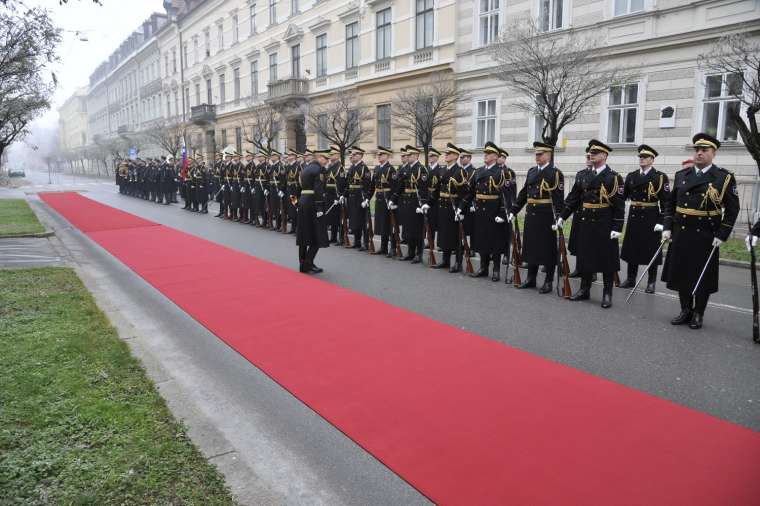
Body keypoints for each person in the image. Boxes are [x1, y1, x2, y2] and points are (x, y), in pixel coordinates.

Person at [661, 133, 739, 329]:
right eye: (697, 150)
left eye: (704, 150)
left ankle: (698, 313)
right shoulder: (682, 175)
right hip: (681, 232)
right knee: (682, 273)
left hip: (706, 234)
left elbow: (732, 209)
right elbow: (670, 204)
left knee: (702, 276)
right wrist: (667, 227)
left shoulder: (723, 177)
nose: (699, 153)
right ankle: (685, 309)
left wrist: (722, 234)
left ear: (714, 153)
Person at [557, 139, 624, 308]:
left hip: (605, 222)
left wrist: (617, 227)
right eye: (591, 153)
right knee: (585, 256)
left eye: (595, 153)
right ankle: (584, 289)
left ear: (604, 155)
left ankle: (607, 293)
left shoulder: (614, 177)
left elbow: (619, 205)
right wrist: (562, 217)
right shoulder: (584, 175)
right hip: (586, 221)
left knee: (607, 259)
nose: (592, 156)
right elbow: (573, 198)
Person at [511, 142, 565, 293]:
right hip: (532, 213)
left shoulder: (555, 173)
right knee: (531, 246)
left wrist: (559, 217)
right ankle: (530, 278)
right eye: (536, 154)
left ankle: (548, 280)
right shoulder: (532, 171)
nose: (537, 157)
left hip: (546, 214)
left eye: (540, 154)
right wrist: (514, 210)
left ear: (548, 155)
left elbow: (559, 198)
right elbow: (523, 193)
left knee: (547, 248)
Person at [619, 145, 670, 293]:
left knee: (651, 250)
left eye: (645, 157)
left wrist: (662, 222)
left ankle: (651, 282)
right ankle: (630, 278)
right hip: (635, 216)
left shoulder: (660, 177)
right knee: (632, 249)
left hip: (651, 217)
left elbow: (666, 202)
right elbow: (622, 197)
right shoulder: (632, 176)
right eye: (640, 157)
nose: (642, 159)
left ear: (652, 160)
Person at [462, 141, 509, 281]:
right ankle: (483, 267)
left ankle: (495, 269)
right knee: (482, 240)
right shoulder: (479, 171)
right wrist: (461, 207)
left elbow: (506, 196)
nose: (486, 156)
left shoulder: (501, 173)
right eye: (485, 153)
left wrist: (502, 213)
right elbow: (470, 192)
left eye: (489, 154)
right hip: (480, 211)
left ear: (495, 156)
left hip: (493, 211)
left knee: (494, 241)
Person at [433, 143, 470, 272]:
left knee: (455, 236)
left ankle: (458, 263)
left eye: (448, 154)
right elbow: (437, 190)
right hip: (442, 206)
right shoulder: (443, 170)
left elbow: (466, 194)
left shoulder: (460, 172)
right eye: (446, 153)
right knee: (444, 234)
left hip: (453, 207)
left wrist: (461, 209)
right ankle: (445, 260)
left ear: (455, 156)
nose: (446, 155)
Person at [393, 145, 429, 264]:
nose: (408, 157)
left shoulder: (421, 169)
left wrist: (422, 204)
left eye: (410, 155)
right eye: (407, 155)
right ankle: (410, 252)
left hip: (416, 202)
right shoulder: (406, 168)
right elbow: (401, 186)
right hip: (406, 201)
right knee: (408, 228)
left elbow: (424, 189)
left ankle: (419, 254)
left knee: (417, 229)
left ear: (417, 156)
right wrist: (393, 199)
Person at [297, 149, 330, 274]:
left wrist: (297, 203)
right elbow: (318, 189)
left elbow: (297, 187)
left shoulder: (304, 169)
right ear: (320, 158)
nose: (326, 162)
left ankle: (302, 263)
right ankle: (308, 263)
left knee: (304, 235)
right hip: (313, 204)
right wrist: (320, 208)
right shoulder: (318, 170)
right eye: (325, 159)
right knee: (317, 235)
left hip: (302, 202)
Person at [372, 146, 398, 257]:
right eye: (379, 155)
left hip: (387, 199)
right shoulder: (377, 168)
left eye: (381, 155)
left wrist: (392, 200)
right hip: (379, 198)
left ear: (387, 156)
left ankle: (393, 248)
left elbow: (395, 187)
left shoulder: (391, 169)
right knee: (382, 224)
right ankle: (383, 247)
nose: (379, 156)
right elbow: (373, 185)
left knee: (389, 225)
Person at [346, 146, 372, 250]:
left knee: (362, 221)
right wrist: (345, 195)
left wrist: (366, 198)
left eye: (355, 154)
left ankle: (366, 243)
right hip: (352, 196)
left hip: (360, 196)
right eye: (352, 154)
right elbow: (348, 183)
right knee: (354, 220)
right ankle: (357, 242)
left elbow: (367, 185)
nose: (352, 156)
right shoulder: (352, 167)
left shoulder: (364, 168)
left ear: (361, 155)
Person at [285, 149, 301, 233]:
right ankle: (293, 227)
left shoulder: (298, 166)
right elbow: (285, 178)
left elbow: (300, 179)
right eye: (288, 155)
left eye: (291, 155)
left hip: (295, 190)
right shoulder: (288, 166)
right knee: (291, 209)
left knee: (295, 208)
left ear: (294, 156)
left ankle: (297, 228)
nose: (289, 157)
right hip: (289, 189)